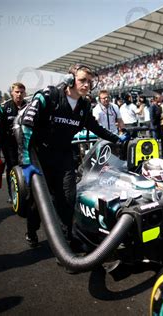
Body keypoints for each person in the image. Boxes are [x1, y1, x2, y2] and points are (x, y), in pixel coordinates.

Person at [16, 64, 127, 247]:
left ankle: (65, 239)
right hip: (40, 155)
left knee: (67, 198)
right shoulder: (49, 96)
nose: (87, 85)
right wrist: (26, 161)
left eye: (90, 82)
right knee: (38, 200)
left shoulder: (84, 104)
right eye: (82, 80)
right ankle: (31, 230)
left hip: (64, 155)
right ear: (70, 80)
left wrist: (118, 139)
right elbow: (26, 125)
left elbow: (96, 127)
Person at [0, 82, 28, 204]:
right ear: (12, 93)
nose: (19, 94)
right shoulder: (4, 107)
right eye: (17, 92)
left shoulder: (29, 106)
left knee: (27, 165)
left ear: (25, 93)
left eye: (21, 92)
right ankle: (13, 192)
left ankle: (27, 191)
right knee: (13, 167)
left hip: (24, 143)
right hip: (9, 143)